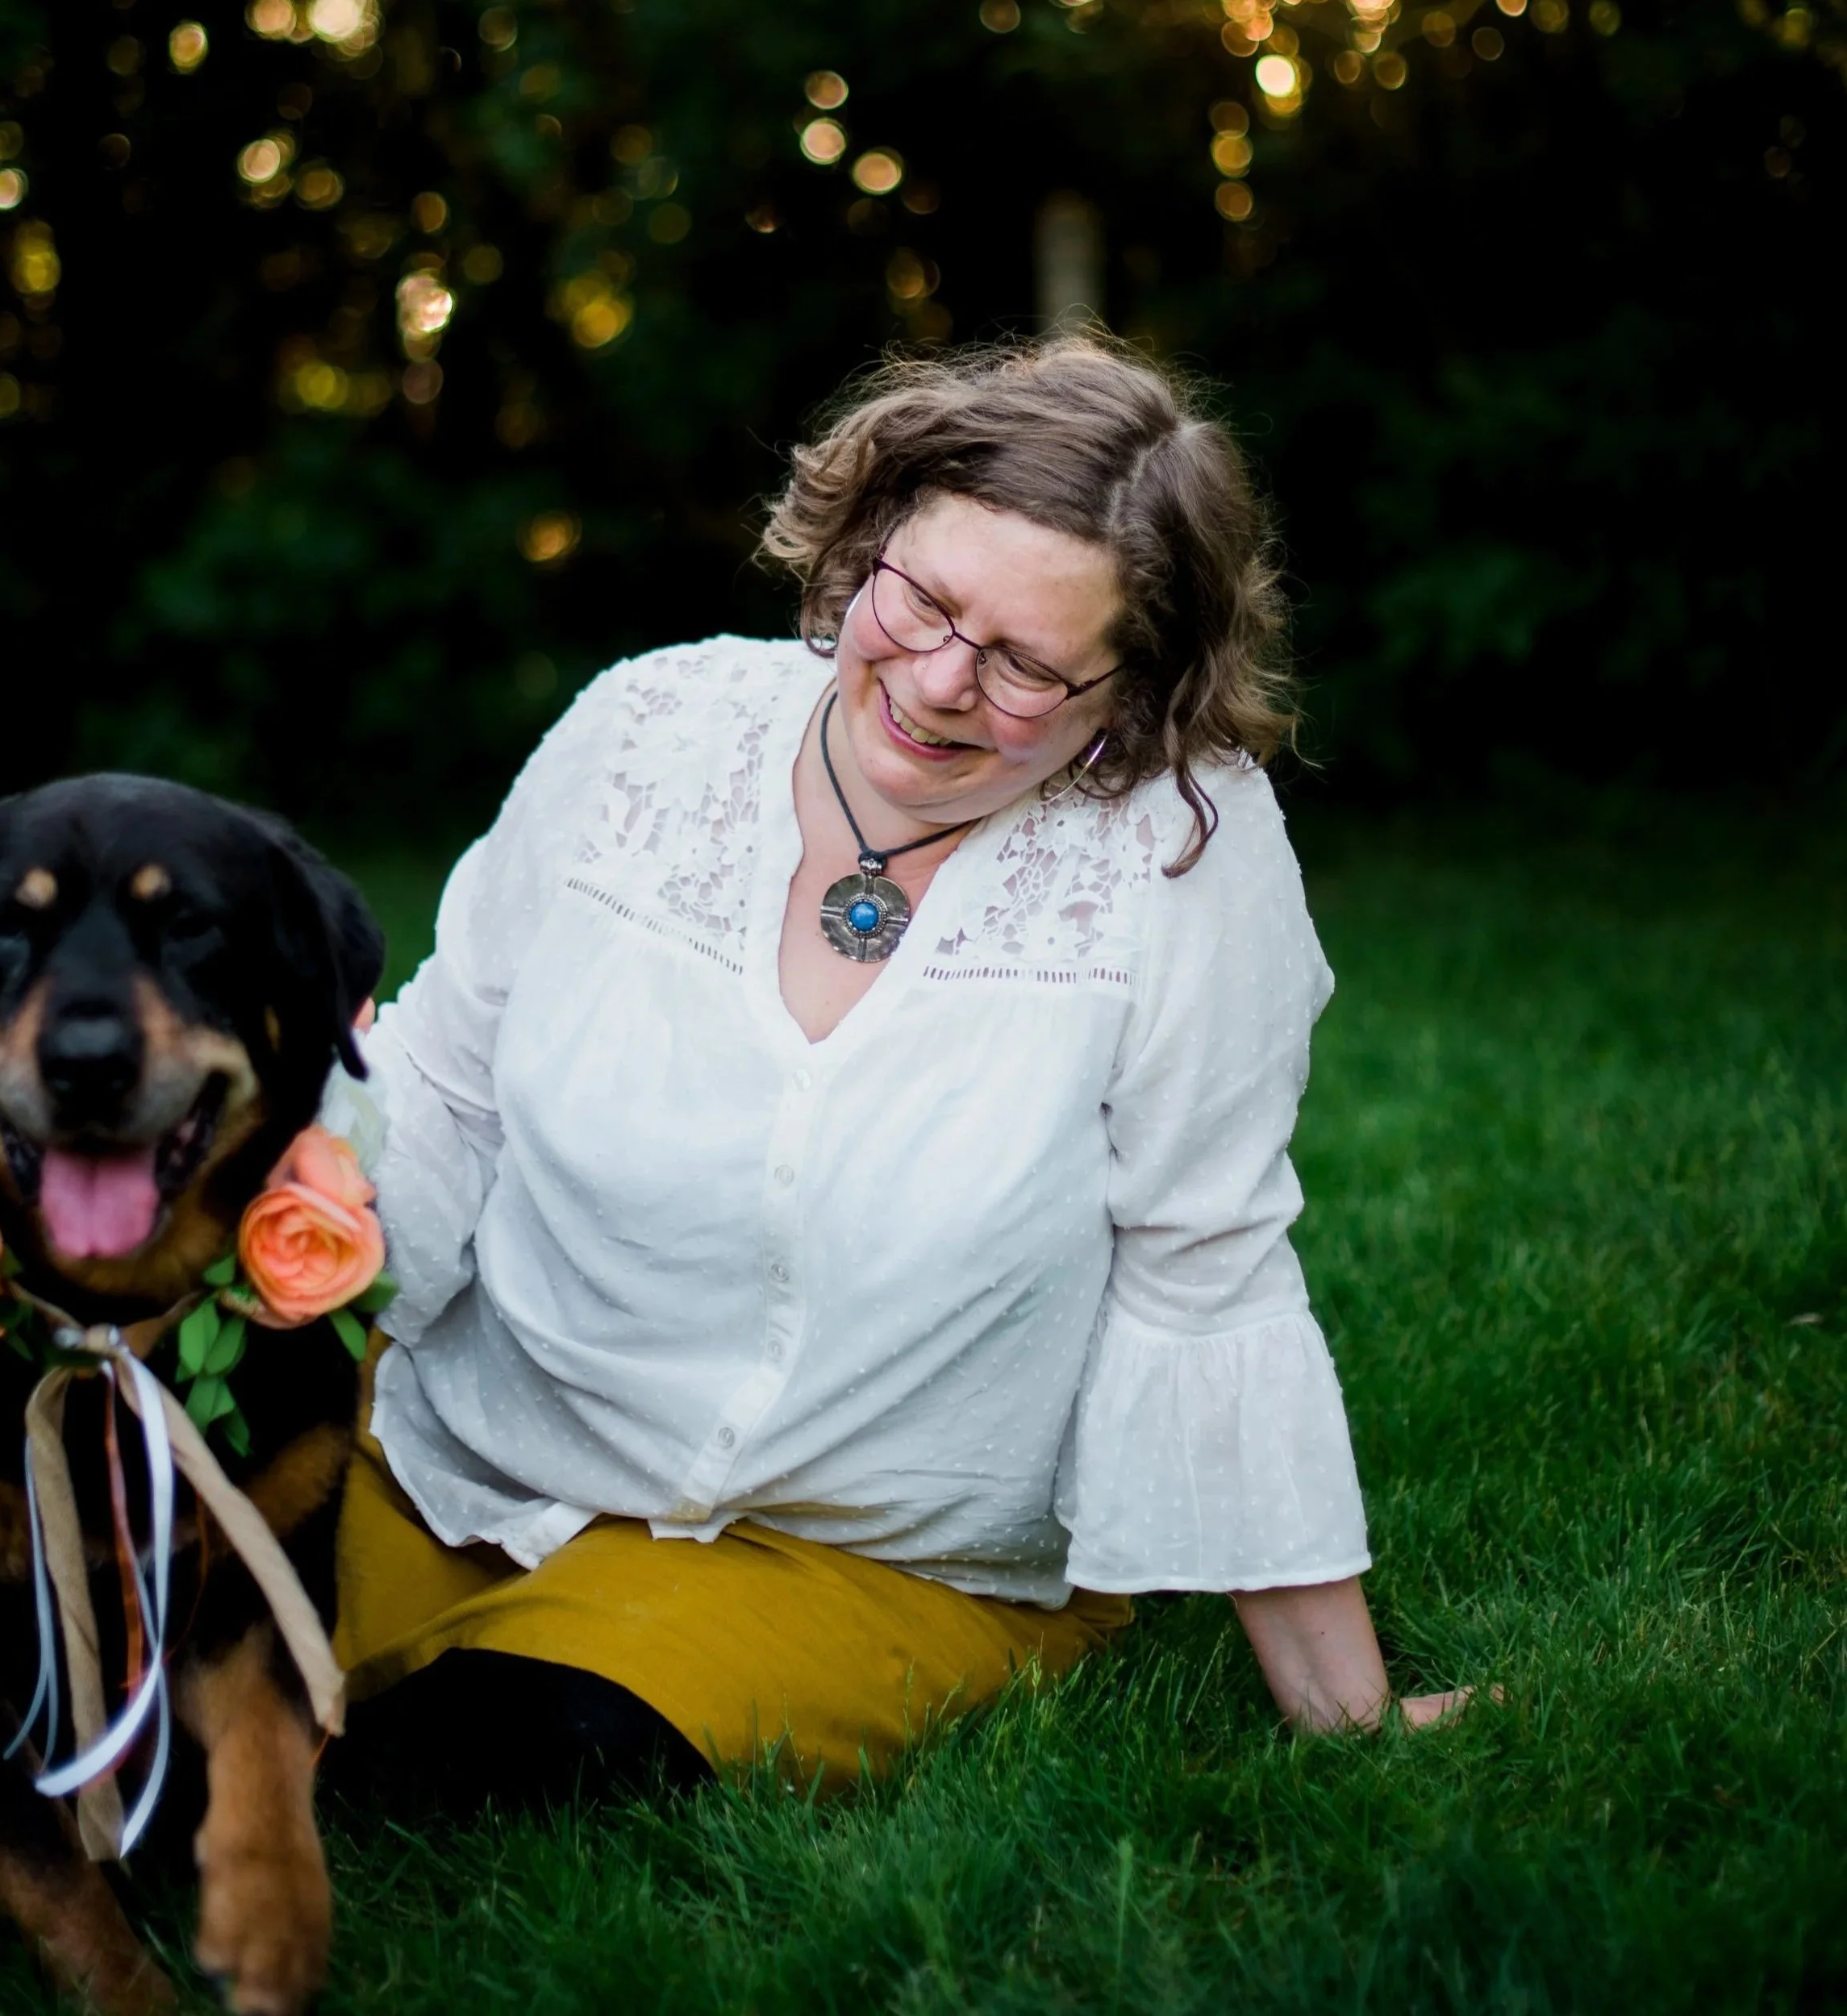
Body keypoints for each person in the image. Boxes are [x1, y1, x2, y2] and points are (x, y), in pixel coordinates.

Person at [330, 334, 1466, 1811]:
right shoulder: (646, 725)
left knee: (498, 1755)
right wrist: (240, 1335)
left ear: (1133, 692)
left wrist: (1344, 1712)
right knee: (148, 1623)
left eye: (1024, 667)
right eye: (921, 601)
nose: (936, 684)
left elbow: (1209, 1260)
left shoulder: (1185, 847)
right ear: (865, 538)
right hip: (474, 1453)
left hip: (864, 1553)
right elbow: (441, 1091)